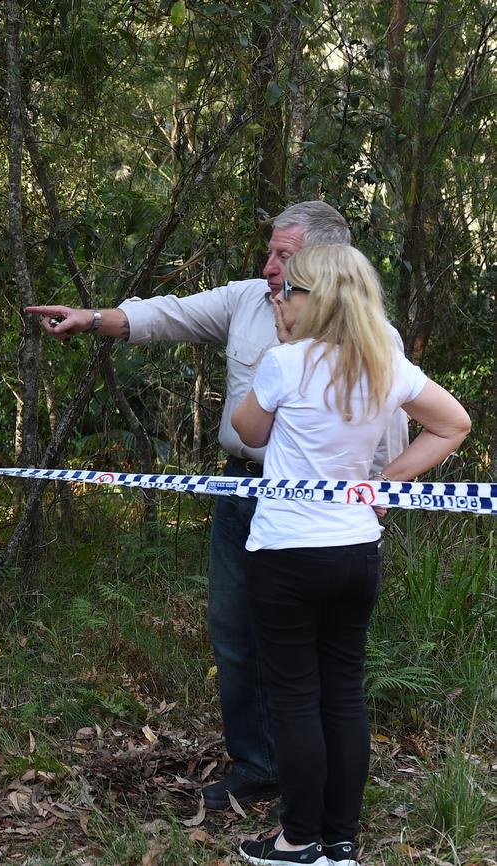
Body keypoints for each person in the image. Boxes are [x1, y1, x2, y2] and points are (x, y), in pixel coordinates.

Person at [24, 201, 407, 811]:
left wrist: (382, 486)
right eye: (272, 251)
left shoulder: (373, 333)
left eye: (284, 255)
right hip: (241, 494)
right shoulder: (247, 299)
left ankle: (312, 791)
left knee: (315, 661)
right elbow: (168, 316)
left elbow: (392, 421)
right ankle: (258, 765)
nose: (270, 264)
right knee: (234, 633)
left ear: (323, 261)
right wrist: (93, 318)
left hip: (324, 515)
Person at [231, 245, 470, 866]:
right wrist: (390, 480)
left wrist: (275, 351)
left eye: (290, 293)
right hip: (357, 548)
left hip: (286, 552)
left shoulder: (286, 362)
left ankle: (296, 840)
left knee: (294, 697)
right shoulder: (386, 365)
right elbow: (453, 423)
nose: (280, 300)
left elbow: (247, 433)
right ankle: (339, 841)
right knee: (342, 693)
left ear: (318, 299)